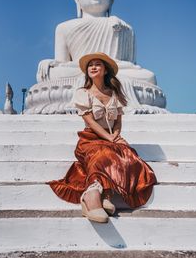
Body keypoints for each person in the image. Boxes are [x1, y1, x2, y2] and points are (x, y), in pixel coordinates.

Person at [46, 52, 157, 223]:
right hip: (91, 138)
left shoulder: (114, 93)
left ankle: (106, 193)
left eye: (97, 64)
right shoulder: (83, 93)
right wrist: (109, 138)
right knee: (103, 155)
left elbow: (118, 121)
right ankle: (91, 195)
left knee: (130, 158)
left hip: (111, 135)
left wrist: (116, 135)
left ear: (105, 70)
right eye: (90, 65)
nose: (93, 67)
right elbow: (90, 121)